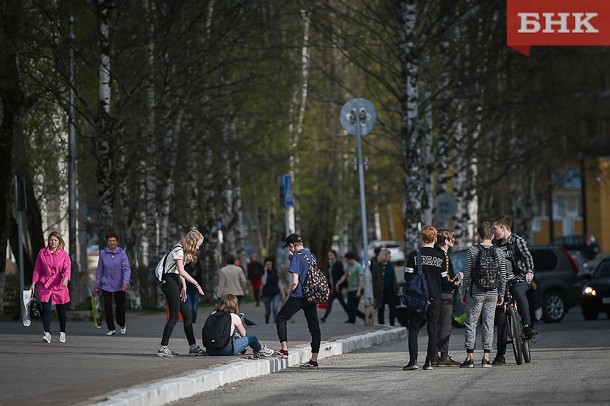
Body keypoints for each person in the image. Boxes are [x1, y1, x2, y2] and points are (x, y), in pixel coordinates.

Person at [459, 222, 507, 368]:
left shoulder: (472, 251)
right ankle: (486, 358)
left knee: (471, 323)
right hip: (492, 293)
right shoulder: (499, 252)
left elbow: (467, 275)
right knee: (488, 324)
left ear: (478, 235)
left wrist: (463, 292)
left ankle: (470, 358)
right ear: (492, 236)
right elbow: (503, 276)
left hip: (476, 292)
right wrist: (502, 294)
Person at [492, 215, 535, 366]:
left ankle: (527, 326)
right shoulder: (495, 245)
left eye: (495, 228)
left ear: (503, 228)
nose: (493, 231)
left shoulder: (517, 241)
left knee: (518, 292)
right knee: (501, 315)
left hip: (519, 277)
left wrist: (529, 271)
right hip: (502, 283)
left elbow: (527, 257)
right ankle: (500, 354)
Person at [158, 228, 206, 357]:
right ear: (193, 242)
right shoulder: (178, 250)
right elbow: (181, 271)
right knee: (174, 315)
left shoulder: (183, 250)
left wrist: (184, 286)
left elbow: (179, 273)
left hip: (176, 283)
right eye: (198, 245)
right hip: (169, 282)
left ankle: (193, 347)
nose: (198, 247)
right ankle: (163, 347)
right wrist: (196, 284)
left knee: (188, 315)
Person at [276, 233, 322, 369]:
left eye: (289, 248)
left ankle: (284, 349)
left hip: (299, 296)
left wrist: (290, 292)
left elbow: (295, 281)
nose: (289, 250)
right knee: (314, 327)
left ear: (292, 245)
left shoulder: (296, 257)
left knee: (281, 318)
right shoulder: (311, 256)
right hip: (311, 296)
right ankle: (313, 360)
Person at [403, 226, 444, 371]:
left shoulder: (414, 255)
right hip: (435, 296)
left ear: (423, 238)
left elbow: (407, 276)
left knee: (414, 328)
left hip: (418, 297)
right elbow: (444, 280)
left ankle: (413, 361)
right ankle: (429, 362)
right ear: (435, 238)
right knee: (432, 329)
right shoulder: (440, 257)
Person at [31, 231, 71, 344]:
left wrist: (66, 278)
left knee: (61, 310)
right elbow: (37, 269)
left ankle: (62, 332)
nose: (53, 242)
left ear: (59, 242)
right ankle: (47, 334)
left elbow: (67, 268)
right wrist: (34, 282)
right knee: (46, 310)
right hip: (45, 284)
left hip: (60, 284)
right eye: (51, 240)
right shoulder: (42, 253)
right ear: (48, 241)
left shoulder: (63, 254)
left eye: (55, 240)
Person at [205, 294, 275, 357]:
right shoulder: (234, 316)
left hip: (210, 350)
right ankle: (260, 349)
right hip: (225, 350)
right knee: (252, 338)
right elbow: (244, 335)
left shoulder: (213, 314)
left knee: (236, 337)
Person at [433, 228, 461, 366]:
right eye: (451, 238)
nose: (453, 241)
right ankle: (443, 356)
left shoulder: (433, 253)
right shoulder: (444, 255)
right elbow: (446, 278)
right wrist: (456, 282)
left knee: (435, 325)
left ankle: (433, 355)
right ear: (445, 240)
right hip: (444, 294)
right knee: (445, 325)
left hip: (433, 294)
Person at [95, 232, 131, 336]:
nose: (112, 242)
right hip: (106, 283)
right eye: (110, 241)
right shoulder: (103, 253)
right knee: (107, 306)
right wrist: (98, 283)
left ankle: (122, 323)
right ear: (107, 242)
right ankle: (111, 328)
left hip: (120, 284)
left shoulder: (122, 253)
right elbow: (100, 269)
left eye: (113, 241)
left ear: (117, 242)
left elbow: (126, 269)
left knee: (120, 306)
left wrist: (125, 281)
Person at [371, 248, 399, 325]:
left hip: (391, 290)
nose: (390, 256)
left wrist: (396, 289)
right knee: (381, 308)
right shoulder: (376, 266)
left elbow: (394, 278)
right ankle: (381, 324)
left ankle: (392, 324)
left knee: (392, 307)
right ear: (384, 256)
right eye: (389, 255)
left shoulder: (391, 265)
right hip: (380, 291)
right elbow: (374, 279)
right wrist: (374, 291)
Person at [320, 249, 348, 323]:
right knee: (343, 303)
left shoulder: (338, 263)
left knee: (330, 302)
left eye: (331, 255)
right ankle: (352, 315)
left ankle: (324, 318)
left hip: (337, 286)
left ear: (335, 255)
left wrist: (342, 285)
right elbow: (330, 276)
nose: (330, 257)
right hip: (333, 286)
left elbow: (342, 275)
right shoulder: (330, 264)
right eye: (329, 255)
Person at [337, 252, 365, 324]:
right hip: (351, 289)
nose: (346, 261)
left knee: (353, 307)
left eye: (347, 260)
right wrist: (339, 283)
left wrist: (359, 291)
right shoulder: (349, 266)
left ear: (351, 259)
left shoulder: (358, 266)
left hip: (357, 289)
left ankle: (364, 316)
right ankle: (351, 319)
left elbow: (361, 279)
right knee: (349, 306)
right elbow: (345, 276)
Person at [261, 257, 286, 324]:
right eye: (267, 264)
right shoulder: (263, 272)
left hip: (275, 293)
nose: (268, 265)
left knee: (275, 308)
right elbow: (263, 282)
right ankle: (267, 321)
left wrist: (283, 294)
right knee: (268, 311)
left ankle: (276, 321)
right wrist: (265, 272)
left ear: (272, 264)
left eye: (269, 264)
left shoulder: (276, 271)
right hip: (266, 294)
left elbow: (279, 283)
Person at [185, 253, 203, 323]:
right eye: (193, 259)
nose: (195, 261)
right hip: (188, 289)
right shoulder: (186, 267)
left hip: (196, 290)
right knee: (190, 308)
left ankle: (193, 320)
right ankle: (190, 320)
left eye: (196, 259)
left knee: (194, 308)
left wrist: (201, 293)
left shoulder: (198, 269)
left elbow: (201, 281)